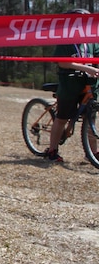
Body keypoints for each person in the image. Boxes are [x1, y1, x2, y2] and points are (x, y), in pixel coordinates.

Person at [43, 9, 99, 162]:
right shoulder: (66, 40)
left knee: (90, 118)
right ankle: (52, 150)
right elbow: (63, 62)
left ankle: (93, 152)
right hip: (70, 83)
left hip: (89, 84)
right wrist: (87, 68)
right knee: (62, 118)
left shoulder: (93, 40)